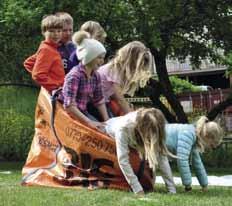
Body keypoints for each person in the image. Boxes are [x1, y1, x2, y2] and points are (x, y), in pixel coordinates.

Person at [104, 108, 176, 194]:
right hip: (108, 134)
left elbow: (162, 157)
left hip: (133, 136)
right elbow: (123, 160)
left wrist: (172, 189)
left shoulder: (155, 123)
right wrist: (137, 189)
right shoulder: (123, 128)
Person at [61, 31, 109, 131]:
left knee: (106, 129)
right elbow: (69, 106)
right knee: (98, 131)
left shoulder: (96, 75)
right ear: (89, 56)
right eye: (99, 58)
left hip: (83, 111)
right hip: (70, 115)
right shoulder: (74, 76)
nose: (102, 61)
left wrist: (107, 121)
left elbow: (99, 100)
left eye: (103, 58)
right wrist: (89, 122)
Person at [165, 116, 223, 192]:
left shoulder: (194, 135)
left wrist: (204, 185)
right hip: (156, 137)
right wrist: (188, 186)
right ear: (207, 137)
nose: (210, 148)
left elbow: (197, 162)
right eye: (211, 145)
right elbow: (182, 160)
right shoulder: (188, 134)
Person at [98, 41, 154, 116]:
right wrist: (132, 116)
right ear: (130, 60)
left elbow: (114, 95)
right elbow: (120, 99)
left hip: (101, 103)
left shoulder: (117, 70)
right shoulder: (114, 70)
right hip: (93, 104)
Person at [24, 15, 65, 93]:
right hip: (56, 92)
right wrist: (54, 86)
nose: (56, 34)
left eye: (59, 31)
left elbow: (29, 63)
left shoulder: (50, 47)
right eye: (52, 31)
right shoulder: (46, 49)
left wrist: (48, 78)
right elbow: (38, 75)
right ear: (44, 32)